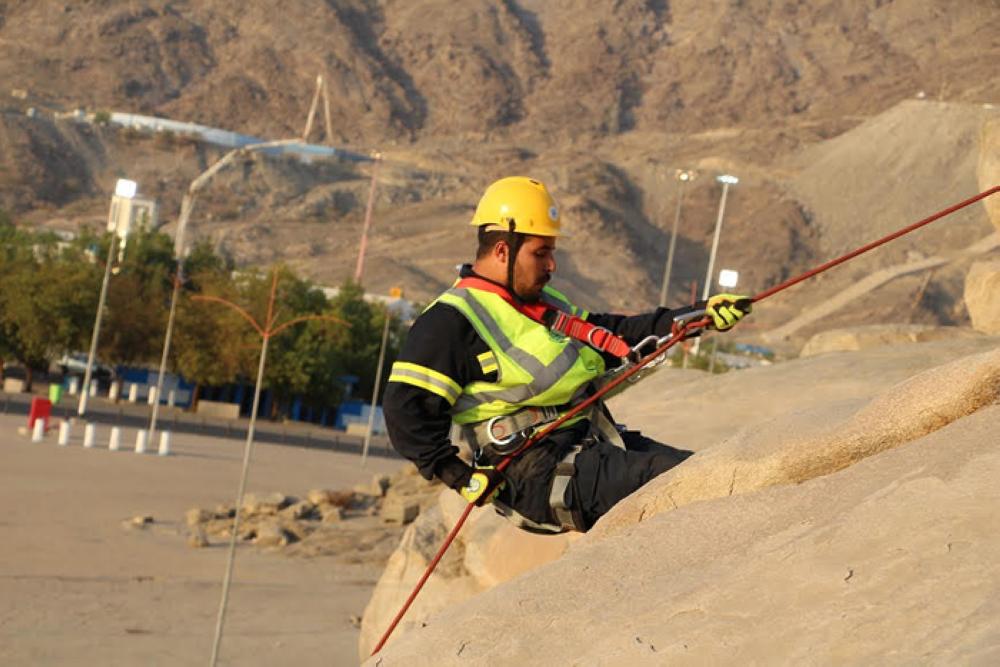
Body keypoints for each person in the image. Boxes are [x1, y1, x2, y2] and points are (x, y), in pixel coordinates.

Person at [383, 176, 751, 533]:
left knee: (700, 468)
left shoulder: (543, 307)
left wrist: (697, 316)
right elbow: (405, 408)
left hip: (581, 442)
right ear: (502, 251)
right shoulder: (451, 320)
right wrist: (459, 476)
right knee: (682, 482)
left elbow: (613, 335)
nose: (551, 265)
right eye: (540, 253)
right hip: (534, 473)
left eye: (551, 252)